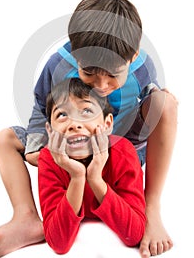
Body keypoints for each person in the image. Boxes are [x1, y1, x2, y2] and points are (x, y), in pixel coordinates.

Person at [0, 0, 178, 258]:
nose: (101, 86)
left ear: (133, 56)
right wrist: (37, 141)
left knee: (166, 102)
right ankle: (26, 217)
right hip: (70, 147)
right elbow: (40, 105)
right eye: (89, 74)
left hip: (120, 150)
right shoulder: (58, 65)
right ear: (75, 52)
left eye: (113, 75)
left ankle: (151, 209)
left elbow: (152, 108)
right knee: (5, 139)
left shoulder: (142, 68)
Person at [38, 77, 146, 254]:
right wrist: (77, 176)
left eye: (86, 111)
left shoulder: (123, 152)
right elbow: (58, 243)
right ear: (50, 131)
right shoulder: (49, 158)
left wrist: (95, 179)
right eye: (62, 115)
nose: (74, 124)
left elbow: (134, 234)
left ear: (107, 124)